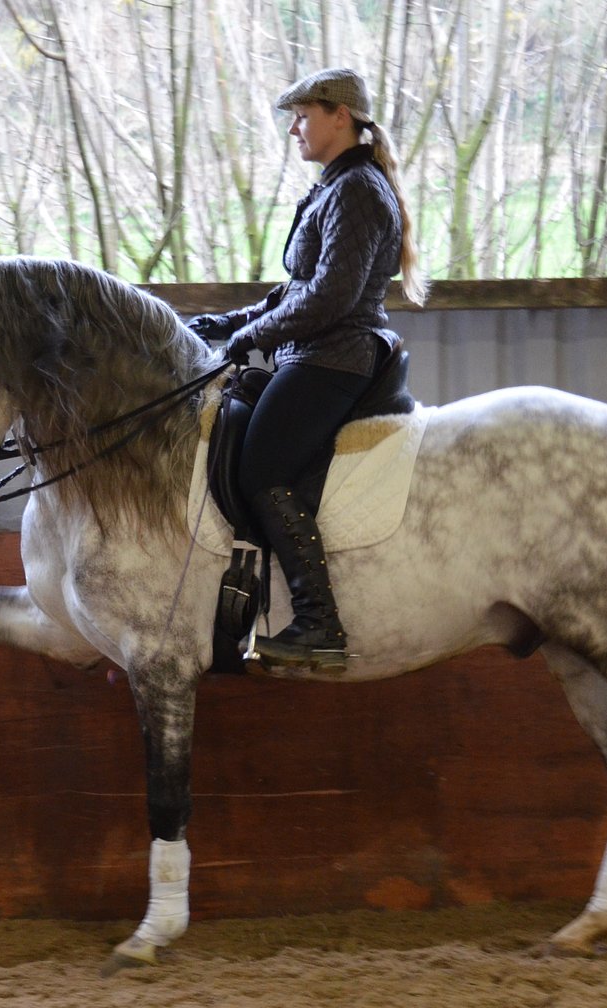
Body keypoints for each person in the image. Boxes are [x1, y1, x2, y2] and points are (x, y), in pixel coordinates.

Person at [189, 66, 427, 668]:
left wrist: (248, 337)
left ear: (339, 116)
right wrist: (225, 325)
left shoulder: (357, 190)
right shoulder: (335, 186)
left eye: (302, 115)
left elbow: (328, 300)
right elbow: (294, 290)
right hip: (315, 351)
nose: (293, 128)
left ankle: (319, 621)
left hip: (336, 356)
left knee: (262, 467)